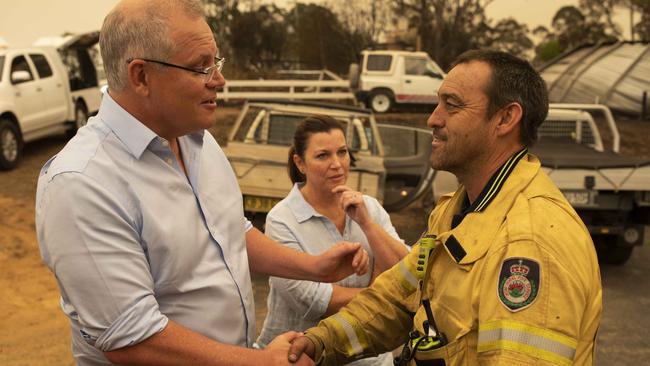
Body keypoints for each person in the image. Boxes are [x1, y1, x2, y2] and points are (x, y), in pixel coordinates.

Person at [34, 1, 369, 365]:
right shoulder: (82, 183)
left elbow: (229, 232)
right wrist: (260, 362)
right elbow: (131, 337)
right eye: (200, 67)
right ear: (141, 76)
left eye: (216, 63)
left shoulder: (197, 139)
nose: (219, 80)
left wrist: (312, 267)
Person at [288, 50, 603, 365]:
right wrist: (319, 343)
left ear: (506, 118)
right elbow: (397, 300)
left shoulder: (532, 240)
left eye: (452, 105)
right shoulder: (455, 210)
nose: (433, 119)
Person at [256, 115, 409, 366]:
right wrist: (380, 290)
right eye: (323, 155)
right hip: (301, 358)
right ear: (300, 162)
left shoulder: (368, 207)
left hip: (370, 360)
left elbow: (406, 273)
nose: (337, 164)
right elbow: (314, 300)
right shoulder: (282, 220)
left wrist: (367, 224)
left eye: (342, 152)